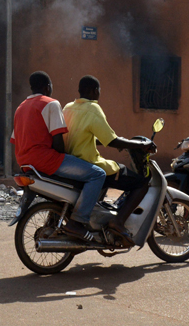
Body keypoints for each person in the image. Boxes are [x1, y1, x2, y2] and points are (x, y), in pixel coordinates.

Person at [62, 75, 156, 245]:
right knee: (140, 183)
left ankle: (100, 217)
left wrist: (127, 143)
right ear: (95, 91)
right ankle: (117, 222)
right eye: (99, 91)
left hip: (71, 163)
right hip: (89, 165)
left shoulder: (68, 108)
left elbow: (85, 135)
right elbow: (112, 140)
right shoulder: (93, 109)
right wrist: (141, 144)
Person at [12, 71, 105, 241]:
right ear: (47, 87)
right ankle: (78, 222)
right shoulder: (51, 104)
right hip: (46, 160)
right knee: (98, 174)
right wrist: (66, 156)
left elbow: (15, 139)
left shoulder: (20, 107)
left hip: (25, 163)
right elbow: (57, 140)